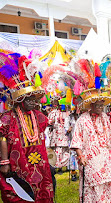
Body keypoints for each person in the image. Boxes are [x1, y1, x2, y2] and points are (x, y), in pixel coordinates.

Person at [0, 54, 54, 202]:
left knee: (43, 192)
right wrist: (4, 162)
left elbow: (43, 134)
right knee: (20, 195)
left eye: (34, 99)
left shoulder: (39, 116)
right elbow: (2, 138)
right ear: (20, 100)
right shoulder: (7, 117)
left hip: (40, 161)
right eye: (29, 99)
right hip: (18, 162)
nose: (33, 102)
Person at [70, 90, 111, 203]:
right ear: (91, 105)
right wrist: (80, 156)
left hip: (106, 159)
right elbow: (77, 140)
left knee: (108, 183)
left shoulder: (105, 118)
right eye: (97, 105)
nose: (100, 107)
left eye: (102, 105)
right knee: (93, 184)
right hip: (90, 161)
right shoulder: (82, 120)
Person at [48, 98, 70, 172]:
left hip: (62, 133)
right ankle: (57, 166)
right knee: (57, 150)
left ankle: (62, 166)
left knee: (63, 149)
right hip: (56, 134)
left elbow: (67, 121)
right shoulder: (53, 112)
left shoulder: (63, 112)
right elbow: (49, 122)